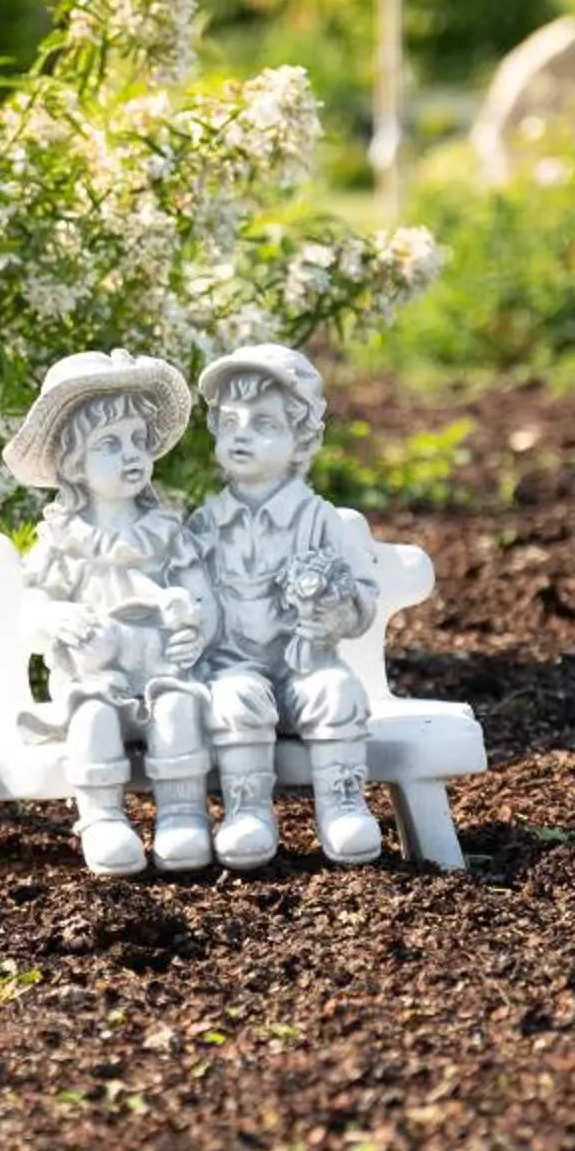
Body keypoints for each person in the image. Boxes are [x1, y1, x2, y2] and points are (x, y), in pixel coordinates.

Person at [3, 350, 216, 876]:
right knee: (93, 717)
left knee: (178, 711)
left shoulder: (165, 532)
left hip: (161, 674)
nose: (132, 455)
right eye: (110, 444)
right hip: (92, 679)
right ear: (73, 462)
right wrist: (54, 619)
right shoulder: (62, 539)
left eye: (139, 441)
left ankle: (183, 814)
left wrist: (192, 623)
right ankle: (102, 820)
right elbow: (29, 611)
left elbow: (199, 595)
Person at [187, 344, 381, 868]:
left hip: (306, 666)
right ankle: (248, 810)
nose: (242, 435)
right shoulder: (205, 525)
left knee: (337, 690)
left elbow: (363, 597)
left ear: (304, 441)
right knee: (235, 701)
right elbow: (187, 593)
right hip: (235, 666)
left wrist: (337, 609)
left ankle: (342, 804)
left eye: (265, 424)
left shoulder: (321, 521)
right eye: (230, 423)